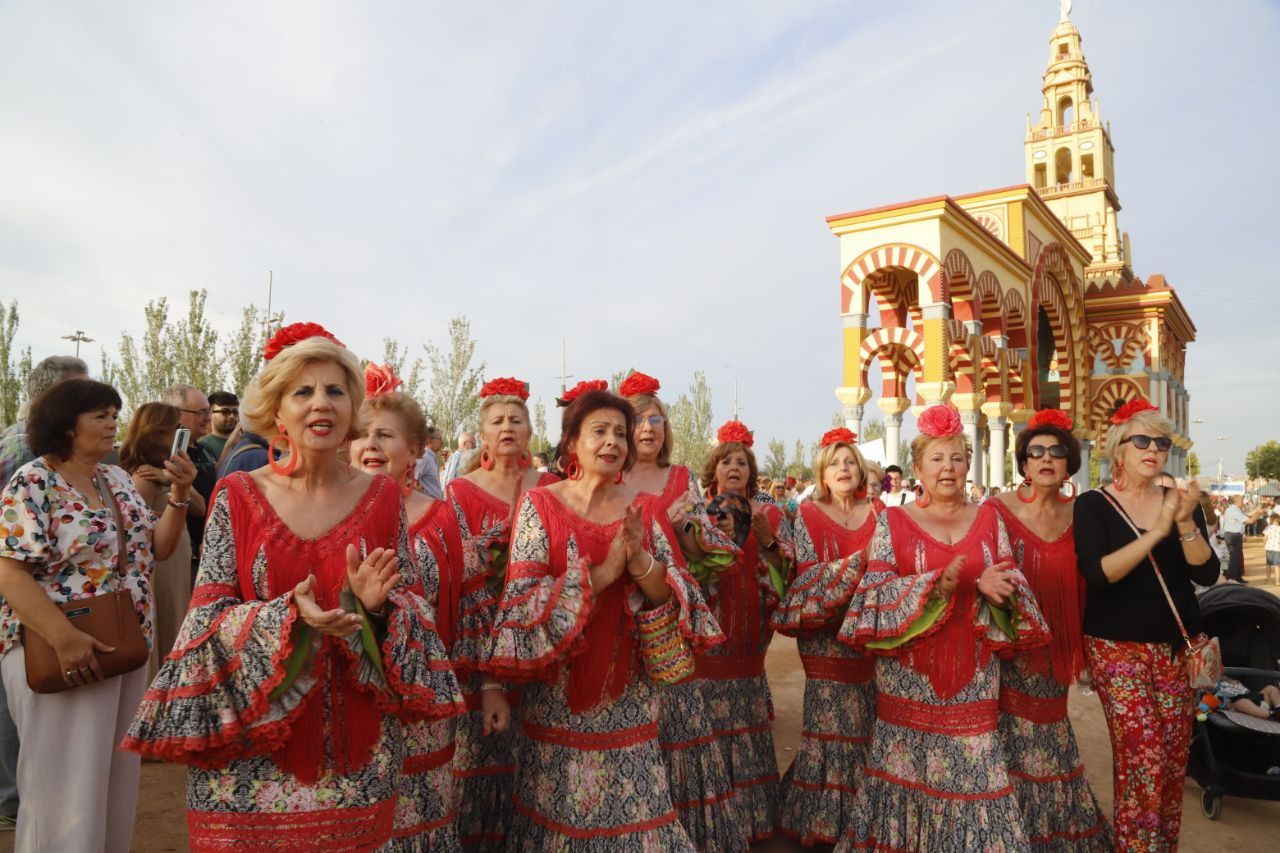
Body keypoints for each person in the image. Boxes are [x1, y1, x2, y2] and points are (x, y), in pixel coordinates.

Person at [122, 323, 463, 850]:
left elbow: (412, 612)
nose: (320, 403)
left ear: (353, 409)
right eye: (302, 391)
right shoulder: (235, 495)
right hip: (250, 745)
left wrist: (373, 608)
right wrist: (285, 618)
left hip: (356, 750)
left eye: (335, 390)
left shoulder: (383, 498)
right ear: (276, 412)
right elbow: (204, 623)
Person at [483, 388, 721, 848]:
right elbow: (522, 600)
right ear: (572, 442)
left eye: (621, 433)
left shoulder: (645, 509)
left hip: (630, 689)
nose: (613, 442)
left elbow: (676, 595)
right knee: (558, 811)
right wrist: (606, 572)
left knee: (640, 811)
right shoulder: (540, 505)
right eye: (600, 431)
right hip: (556, 693)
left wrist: (639, 567)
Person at [838, 402, 1048, 851]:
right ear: (917, 467)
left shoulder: (990, 518)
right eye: (936, 458)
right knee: (906, 776)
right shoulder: (892, 521)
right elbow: (872, 599)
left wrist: (999, 587)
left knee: (980, 773)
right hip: (907, 680)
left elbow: (1015, 588)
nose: (948, 468)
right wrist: (936, 585)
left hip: (974, 676)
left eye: (956, 457)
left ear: (968, 464)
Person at [0, 378, 194, 851]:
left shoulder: (119, 479)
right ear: (66, 426)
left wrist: (180, 494)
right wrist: (63, 637)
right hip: (58, 647)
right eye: (100, 416)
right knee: (63, 785)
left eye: (113, 414)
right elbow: (8, 570)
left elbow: (159, 549)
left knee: (111, 778)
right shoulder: (34, 481)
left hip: (123, 643)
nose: (112, 424)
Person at [1073, 398, 1218, 851]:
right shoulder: (1094, 505)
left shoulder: (1177, 500)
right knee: (1143, 758)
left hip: (1176, 649)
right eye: (1141, 439)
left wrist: (1185, 520)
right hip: (1117, 649)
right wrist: (1156, 532)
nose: (1153, 448)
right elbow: (1099, 573)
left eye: (1161, 441)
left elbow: (1206, 573)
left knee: (1173, 763)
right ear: (1119, 448)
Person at [432, 377, 559, 849]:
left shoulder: (553, 488)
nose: (507, 427)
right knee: (480, 755)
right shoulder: (460, 493)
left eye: (516, 419)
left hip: (542, 640)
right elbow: (461, 583)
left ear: (530, 431)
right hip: (479, 640)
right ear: (483, 435)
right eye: (497, 421)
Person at [621, 372, 745, 849]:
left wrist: (688, 526)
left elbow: (713, 556)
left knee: (678, 724)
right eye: (636, 419)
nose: (647, 428)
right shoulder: (609, 476)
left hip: (671, 616)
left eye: (656, 419)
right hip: (623, 619)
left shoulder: (683, 479)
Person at [349, 363, 460, 848]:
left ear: (414, 450)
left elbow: (468, 607)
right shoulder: (328, 514)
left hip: (422, 700)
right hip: (351, 694)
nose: (370, 444)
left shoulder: (441, 519)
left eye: (385, 435)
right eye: (361, 434)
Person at [989, 410, 1110, 849]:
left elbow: (1097, 582)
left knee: (1049, 735)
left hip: (1056, 651)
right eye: (1035, 451)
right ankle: (1007, 832)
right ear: (1023, 463)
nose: (1045, 458)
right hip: (1005, 650)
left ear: (1068, 464)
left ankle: (1049, 833)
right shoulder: (996, 509)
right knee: (1005, 738)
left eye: (1057, 452)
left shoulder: (1085, 514)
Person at [770, 428, 882, 846]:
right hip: (823, 636)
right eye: (834, 462)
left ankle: (858, 812)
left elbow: (890, 569)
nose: (842, 469)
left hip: (867, 634)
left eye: (849, 461)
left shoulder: (880, 513)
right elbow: (809, 580)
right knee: (828, 717)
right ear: (822, 470)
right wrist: (859, 563)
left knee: (865, 715)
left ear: (860, 469)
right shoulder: (808, 515)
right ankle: (823, 817)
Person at [690, 420, 793, 842]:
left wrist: (769, 543)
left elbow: (788, 573)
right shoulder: (696, 513)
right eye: (726, 461)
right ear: (714, 469)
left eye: (742, 462)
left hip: (750, 622)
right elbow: (689, 568)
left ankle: (751, 819)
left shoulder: (769, 514)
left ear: (752, 472)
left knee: (749, 707)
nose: (734, 467)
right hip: (710, 623)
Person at [0, 353, 89, 830]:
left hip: (27, 605)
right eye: (82, 394)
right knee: (24, 723)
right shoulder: (30, 459)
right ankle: (15, 803)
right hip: (26, 608)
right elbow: (15, 557)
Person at [118, 402, 194, 672]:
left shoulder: (163, 471)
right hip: (162, 564)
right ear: (156, 432)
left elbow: (200, 504)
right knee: (168, 620)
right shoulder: (143, 475)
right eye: (175, 428)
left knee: (177, 616)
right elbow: (137, 533)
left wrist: (170, 478)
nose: (180, 434)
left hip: (175, 560)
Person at [162, 384, 216, 568]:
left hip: (208, 551)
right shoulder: (167, 455)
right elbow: (200, 507)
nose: (208, 418)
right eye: (201, 412)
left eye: (209, 412)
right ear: (176, 414)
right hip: (181, 556)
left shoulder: (204, 451)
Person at [1220, 494, 1263, 583]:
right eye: (1242, 500)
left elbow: (1247, 514)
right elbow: (1250, 521)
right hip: (1233, 535)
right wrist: (1259, 513)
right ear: (1238, 501)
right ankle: (1231, 578)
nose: (1243, 502)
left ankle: (1237, 577)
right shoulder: (1233, 510)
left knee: (1237, 557)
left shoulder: (1234, 509)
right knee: (1234, 557)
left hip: (1233, 535)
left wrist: (1256, 511)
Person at [198, 391, 239, 462]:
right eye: (225, 412)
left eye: (235, 412)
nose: (232, 416)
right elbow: (214, 473)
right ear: (210, 414)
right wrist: (228, 447)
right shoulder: (203, 446)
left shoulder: (245, 441)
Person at [415, 426, 445, 500]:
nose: (442, 442)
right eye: (439, 439)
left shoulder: (431, 457)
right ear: (429, 441)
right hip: (428, 505)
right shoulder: (424, 457)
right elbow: (413, 481)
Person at [1264, 513, 1280, 585]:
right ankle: (1277, 581)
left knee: (1268, 564)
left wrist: (1264, 544)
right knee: (1277, 565)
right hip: (1278, 548)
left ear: (1271, 519)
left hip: (1269, 547)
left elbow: (1265, 538)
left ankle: (1268, 579)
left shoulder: (1268, 528)